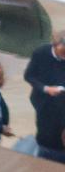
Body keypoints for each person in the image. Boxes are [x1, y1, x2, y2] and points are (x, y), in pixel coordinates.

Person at [26, 30, 65, 163]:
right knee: (46, 136)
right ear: (55, 45)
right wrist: (46, 89)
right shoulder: (40, 53)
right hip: (44, 103)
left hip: (63, 104)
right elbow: (29, 76)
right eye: (63, 53)